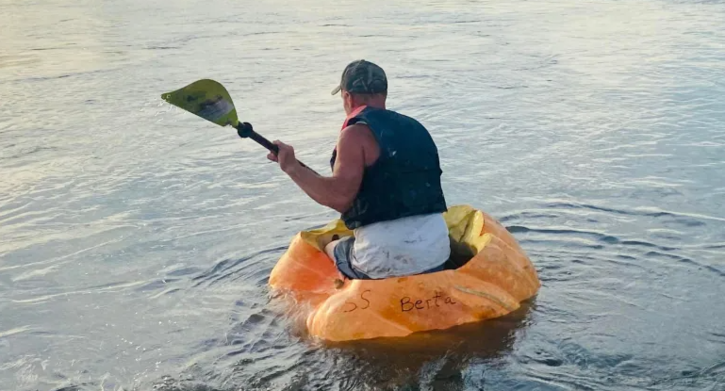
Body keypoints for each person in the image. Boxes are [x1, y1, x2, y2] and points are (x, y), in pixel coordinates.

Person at [267, 59, 450, 280]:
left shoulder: (354, 134)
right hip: (437, 253)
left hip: (383, 260)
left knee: (332, 246)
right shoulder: (416, 127)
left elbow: (340, 197)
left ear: (348, 96)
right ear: (383, 93)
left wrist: (290, 167)